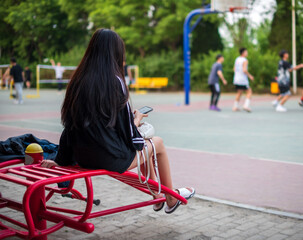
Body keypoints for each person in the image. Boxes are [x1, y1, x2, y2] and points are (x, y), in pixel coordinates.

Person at [40, 29, 195, 214]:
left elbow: (70, 125)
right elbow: (128, 133)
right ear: (116, 53)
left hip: (83, 156)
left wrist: (61, 160)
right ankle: (170, 198)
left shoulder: (77, 81)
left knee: (145, 144)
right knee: (156, 143)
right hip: (109, 158)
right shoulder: (114, 82)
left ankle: (156, 194)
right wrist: (136, 120)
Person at [232, 48, 254, 112]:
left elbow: (234, 69)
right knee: (249, 91)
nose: (247, 53)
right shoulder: (245, 60)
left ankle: (235, 106)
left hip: (236, 78)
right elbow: (244, 70)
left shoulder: (237, 59)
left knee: (239, 92)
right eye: (246, 52)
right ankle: (246, 105)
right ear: (243, 52)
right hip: (243, 79)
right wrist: (250, 76)